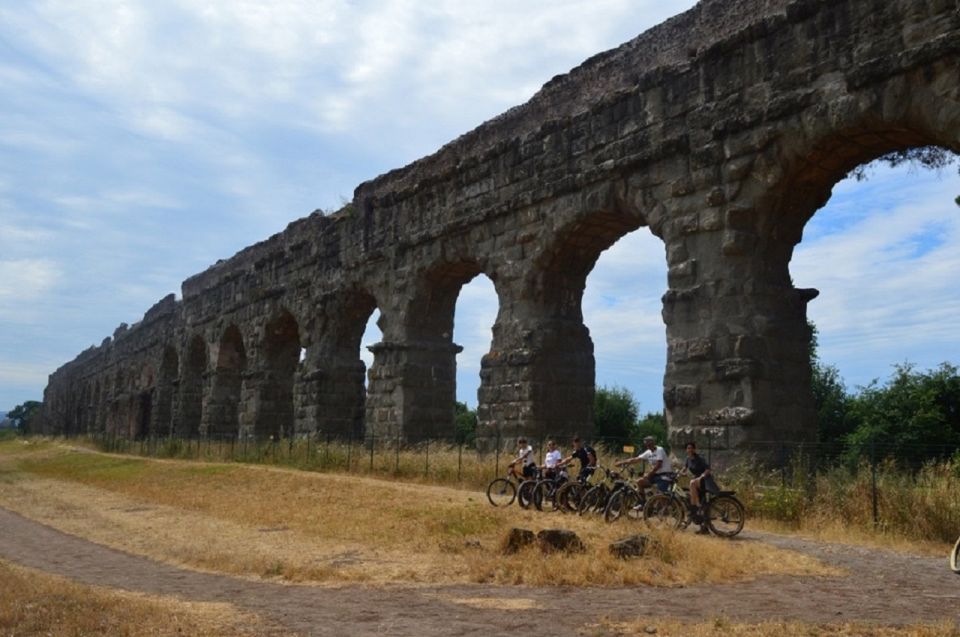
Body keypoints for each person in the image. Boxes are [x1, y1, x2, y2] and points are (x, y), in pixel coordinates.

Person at [681, 441, 720, 532]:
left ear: (694, 449)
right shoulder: (688, 459)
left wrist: (700, 477)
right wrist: (679, 473)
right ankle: (703, 527)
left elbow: (708, 470)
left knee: (692, 483)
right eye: (688, 448)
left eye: (691, 448)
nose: (689, 450)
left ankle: (695, 505)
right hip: (697, 481)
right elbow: (684, 468)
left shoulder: (700, 458)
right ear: (686, 450)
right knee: (691, 486)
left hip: (705, 480)